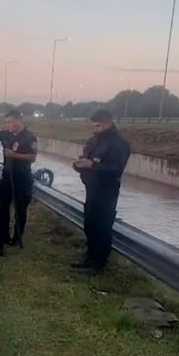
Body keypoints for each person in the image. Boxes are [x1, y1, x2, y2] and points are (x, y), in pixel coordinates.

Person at [72, 109, 131, 275]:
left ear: (108, 123)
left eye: (98, 125)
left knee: (102, 228)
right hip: (91, 190)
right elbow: (86, 159)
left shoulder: (119, 143)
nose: (95, 128)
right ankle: (89, 258)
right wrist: (79, 165)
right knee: (89, 225)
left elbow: (116, 169)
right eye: (94, 125)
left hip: (107, 192)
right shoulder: (95, 140)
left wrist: (92, 166)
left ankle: (99, 264)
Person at [0, 110, 37, 247]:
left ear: (18, 121)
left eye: (9, 122)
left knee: (20, 209)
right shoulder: (5, 134)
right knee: (2, 207)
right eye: (6, 122)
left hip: (22, 178)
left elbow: (32, 157)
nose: (7, 125)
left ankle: (17, 237)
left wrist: (14, 155)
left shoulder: (29, 138)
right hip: (7, 176)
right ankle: (3, 235)